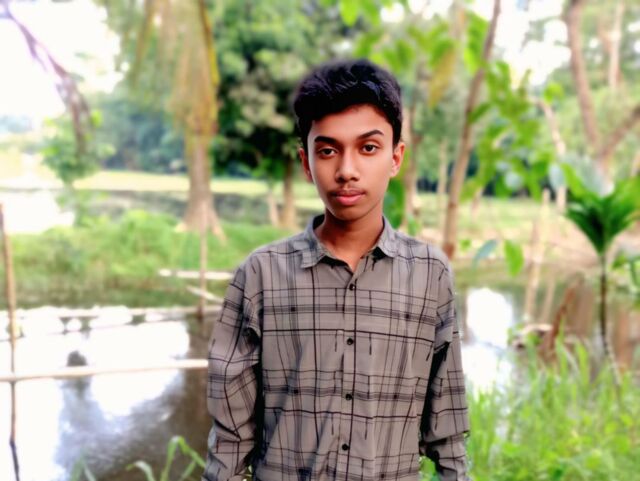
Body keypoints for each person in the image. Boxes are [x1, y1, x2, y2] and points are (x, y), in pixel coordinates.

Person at [202, 59, 470, 481]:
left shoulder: (430, 275)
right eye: (328, 151)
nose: (346, 170)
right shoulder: (260, 275)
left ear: (396, 157)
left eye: (368, 148)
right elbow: (230, 440)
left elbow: (448, 433)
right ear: (306, 163)